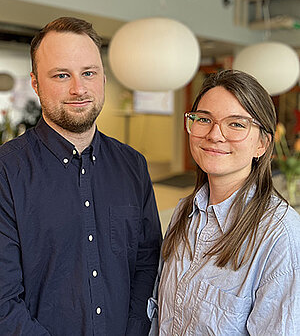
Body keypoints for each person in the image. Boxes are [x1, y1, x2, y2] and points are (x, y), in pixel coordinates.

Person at [0, 17, 162, 335]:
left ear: (102, 78)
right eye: (62, 75)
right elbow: (3, 304)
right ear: (35, 83)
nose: (78, 88)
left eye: (88, 73)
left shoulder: (133, 166)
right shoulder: (6, 171)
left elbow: (146, 265)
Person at [155, 70, 300, 335]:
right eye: (204, 119)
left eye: (236, 124)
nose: (214, 134)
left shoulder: (281, 236)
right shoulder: (184, 212)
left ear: (263, 144)